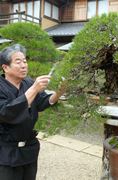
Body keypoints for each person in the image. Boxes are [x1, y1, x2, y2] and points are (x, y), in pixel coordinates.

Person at [0, 44, 66, 180]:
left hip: (30, 148)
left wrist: (59, 92)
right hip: (7, 151)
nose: (24, 65)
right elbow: (6, 113)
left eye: (25, 61)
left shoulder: (28, 83)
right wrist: (34, 89)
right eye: (18, 62)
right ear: (5, 67)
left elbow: (42, 102)